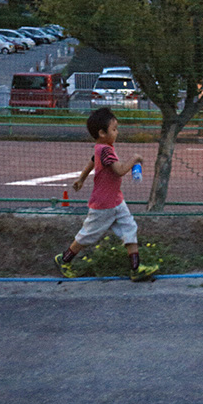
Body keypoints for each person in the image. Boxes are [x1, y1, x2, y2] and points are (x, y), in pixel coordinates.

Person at [55, 107, 158, 282]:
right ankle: (64, 259)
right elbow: (118, 171)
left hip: (116, 201)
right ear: (102, 133)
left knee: (129, 228)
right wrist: (134, 159)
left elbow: (92, 161)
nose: (117, 132)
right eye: (114, 129)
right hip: (103, 204)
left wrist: (81, 179)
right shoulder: (105, 150)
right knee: (88, 235)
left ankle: (136, 268)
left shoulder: (101, 147)